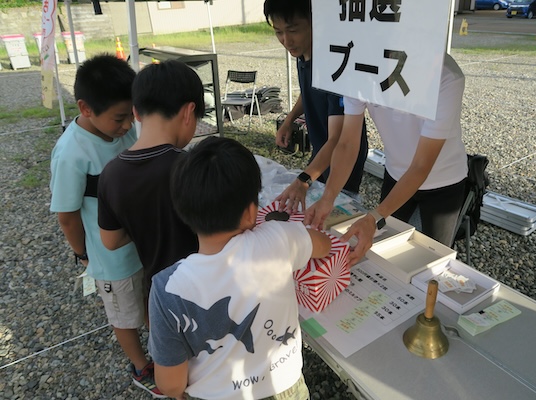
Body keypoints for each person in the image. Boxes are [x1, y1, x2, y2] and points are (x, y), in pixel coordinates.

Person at [148, 137, 331, 400]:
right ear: (249, 212)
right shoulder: (280, 237)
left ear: (184, 211)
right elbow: (322, 245)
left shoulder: (166, 289)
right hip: (285, 386)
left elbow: (171, 385)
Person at [49, 55, 164, 398]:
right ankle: (140, 365)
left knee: (146, 296)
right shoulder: (71, 152)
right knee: (122, 313)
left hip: (142, 243)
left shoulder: (119, 133)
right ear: (85, 108)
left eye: (131, 116)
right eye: (119, 118)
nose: (127, 126)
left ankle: (161, 344)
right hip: (110, 258)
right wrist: (83, 255)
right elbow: (67, 215)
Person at [305, 54, 468, 266]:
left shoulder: (445, 76)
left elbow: (421, 165)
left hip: (443, 181)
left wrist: (374, 217)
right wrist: (328, 197)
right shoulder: (358, 66)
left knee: (430, 261)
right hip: (396, 173)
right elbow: (347, 144)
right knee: (386, 250)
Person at [98, 60, 202, 297]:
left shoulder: (111, 174)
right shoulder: (192, 168)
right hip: (201, 292)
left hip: (158, 294)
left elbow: (111, 241)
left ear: (135, 112)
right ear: (188, 112)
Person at [264, 0, 369, 212]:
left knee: (338, 208)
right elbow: (308, 91)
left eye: (293, 30)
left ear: (315, 22)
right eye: (278, 32)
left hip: (343, 154)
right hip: (321, 148)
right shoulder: (302, 53)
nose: (286, 41)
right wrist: (288, 120)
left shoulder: (336, 63)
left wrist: (303, 179)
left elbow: (339, 139)